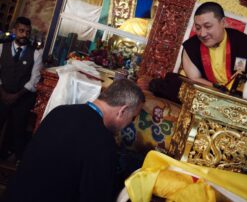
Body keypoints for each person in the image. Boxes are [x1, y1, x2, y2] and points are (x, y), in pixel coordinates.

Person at [6, 78, 145, 202]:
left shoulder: (59, 112)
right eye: (132, 118)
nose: (130, 124)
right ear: (122, 111)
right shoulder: (103, 141)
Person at [182, 2, 247, 87]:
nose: (202, 34)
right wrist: (219, 90)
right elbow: (194, 79)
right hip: (207, 94)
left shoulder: (246, 44)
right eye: (198, 28)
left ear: (224, 22)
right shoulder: (191, 47)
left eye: (208, 26)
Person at [0, 16, 43, 163]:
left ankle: (9, 157)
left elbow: (34, 80)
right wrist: (3, 93)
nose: (24, 35)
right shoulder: (1, 48)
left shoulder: (36, 54)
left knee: (16, 130)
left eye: (27, 32)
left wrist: (16, 96)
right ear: (14, 31)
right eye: (21, 31)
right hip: (2, 94)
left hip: (22, 98)